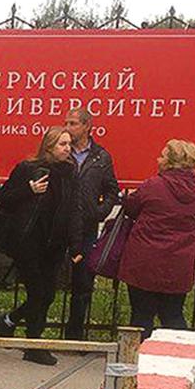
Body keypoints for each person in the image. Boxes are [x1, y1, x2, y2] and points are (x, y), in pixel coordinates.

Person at [0, 127, 76, 366]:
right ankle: (33, 344)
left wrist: (73, 240)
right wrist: (29, 190)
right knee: (39, 292)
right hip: (29, 242)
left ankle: (8, 321)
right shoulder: (29, 168)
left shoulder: (69, 172)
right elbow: (5, 197)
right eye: (62, 144)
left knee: (47, 295)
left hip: (54, 243)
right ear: (49, 146)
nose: (67, 148)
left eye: (69, 144)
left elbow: (72, 207)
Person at [117, 140, 195, 337]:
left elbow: (131, 207)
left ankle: (139, 358)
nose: (158, 159)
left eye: (162, 155)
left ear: (170, 161)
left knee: (141, 315)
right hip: (179, 263)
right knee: (173, 314)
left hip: (146, 261)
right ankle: (179, 358)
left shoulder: (155, 185)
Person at [63, 108, 120, 340]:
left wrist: (100, 211)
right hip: (60, 224)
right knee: (45, 281)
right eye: (66, 122)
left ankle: (74, 335)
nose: (68, 127)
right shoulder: (61, 151)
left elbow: (111, 189)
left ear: (87, 126)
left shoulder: (100, 157)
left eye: (73, 123)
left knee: (83, 283)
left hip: (86, 227)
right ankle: (34, 334)